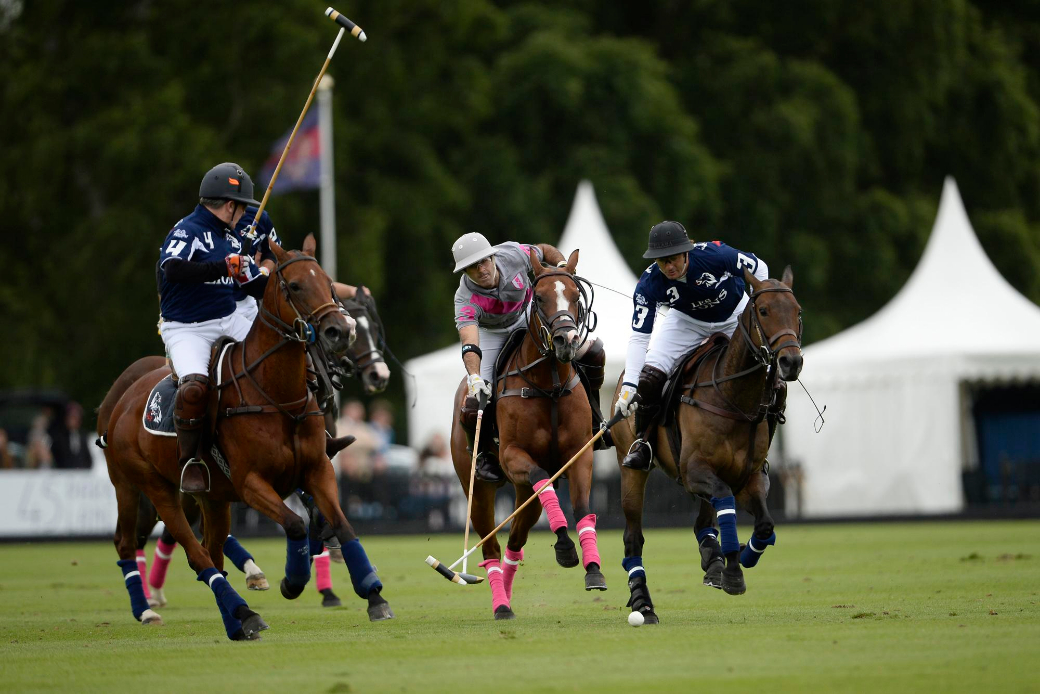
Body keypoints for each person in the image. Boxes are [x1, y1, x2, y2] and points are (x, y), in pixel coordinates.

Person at [451, 232, 607, 483]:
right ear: (464, 272)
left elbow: (544, 250)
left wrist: (560, 266)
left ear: (492, 257)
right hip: (492, 333)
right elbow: (470, 342)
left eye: (483, 261)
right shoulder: (464, 297)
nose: (481, 270)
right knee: (473, 402)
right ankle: (481, 455)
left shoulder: (513, 254)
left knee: (594, 353)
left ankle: (597, 423)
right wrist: (475, 376)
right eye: (472, 267)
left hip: (529, 317)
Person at [614, 221, 769, 470]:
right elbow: (640, 336)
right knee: (648, 380)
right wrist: (629, 385)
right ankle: (644, 443)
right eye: (662, 261)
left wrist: (755, 310)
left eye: (673, 259)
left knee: (770, 375)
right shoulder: (649, 283)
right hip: (687, 321)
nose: (669, 267)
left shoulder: (716, 255)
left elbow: (759, 267)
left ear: (687, 251)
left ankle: (760, 450)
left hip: (734, 316)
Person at [158, 162, 270, 492]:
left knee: (281, 353)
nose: (244, 214)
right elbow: (173, 269)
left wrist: (297, 290)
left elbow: (254, 286)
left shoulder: (232, 239)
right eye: (242, 207)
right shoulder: (187, 230)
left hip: (228, 318)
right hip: (186, 327)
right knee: (194, 387)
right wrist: (221, 267)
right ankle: (190, 461)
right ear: (230, 205)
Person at [51, 402, 93, 469]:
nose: (73, 421)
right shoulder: (59, 437)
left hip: (83, 472)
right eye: (72, 417)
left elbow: (88, 457)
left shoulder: (85, 436)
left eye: (76, 418)